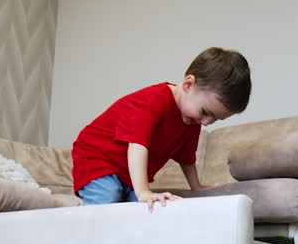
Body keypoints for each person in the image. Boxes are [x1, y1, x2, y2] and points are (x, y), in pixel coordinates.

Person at [72, 47, 251, 210]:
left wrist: (196, 186)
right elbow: (137, 146)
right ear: (188, 85)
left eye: (215, 119)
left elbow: (186, 158)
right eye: (205, 112)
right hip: (96, 158)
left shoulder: (191, 121)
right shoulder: (155, 101)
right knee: (109, 195)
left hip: (126, 172)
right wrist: (143, 191)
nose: (205, 122)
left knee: (147, 209)